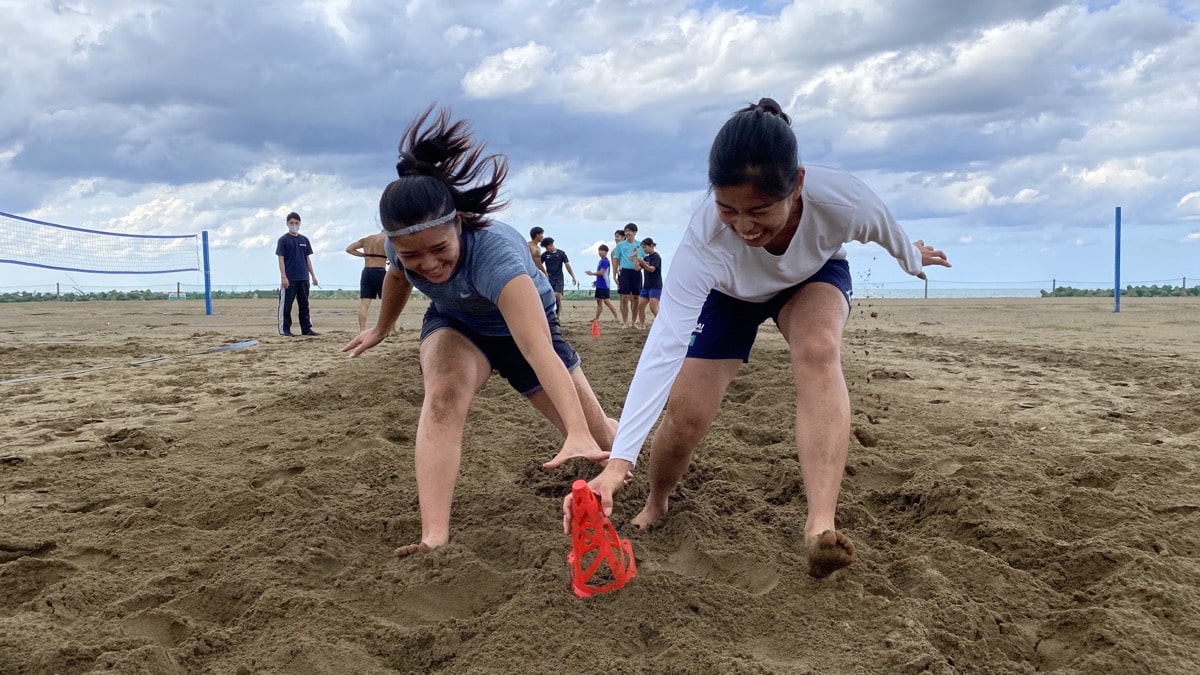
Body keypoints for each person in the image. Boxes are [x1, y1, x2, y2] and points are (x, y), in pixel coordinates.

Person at [565, 98, 951, 579]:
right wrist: (620, 462)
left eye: (761, 210)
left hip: (811, 278)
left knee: (818, 349)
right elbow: (664, 344)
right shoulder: (704, 241)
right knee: (686, 417)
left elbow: (891, 235)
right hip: (729, 297)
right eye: (729, 209)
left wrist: (913, 259)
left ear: (799, 184)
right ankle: (658, 500)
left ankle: (820, 526)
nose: (745, 226)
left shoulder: (844, 200)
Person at [343, 105, 617, 557]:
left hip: (525, 331)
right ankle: (434, 538)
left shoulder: (495, 258)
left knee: (600, 436)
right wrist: (381, 328)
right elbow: (395, 276)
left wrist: (575, 431)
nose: (428, 265)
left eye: (439, 250)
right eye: (414, 255)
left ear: (459, 223)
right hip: (458, 322)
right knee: (444, 395)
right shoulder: (400, 246)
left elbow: (537, 348)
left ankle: (629, 448)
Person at [345, 230, 400, 335]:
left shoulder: (367, 239)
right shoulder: (388, 240)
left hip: (367, 271)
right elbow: (397, 254)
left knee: (364, 304)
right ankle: (392, 329)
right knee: (389, 302)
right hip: (380, 271)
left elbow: (349, 249)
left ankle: (362, 330)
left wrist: (364, 255)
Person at [275, 212, 319, 337]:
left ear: (300, 223)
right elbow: (281, 259)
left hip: (303, 278)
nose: (294, 225)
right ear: (287, 224)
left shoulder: (304, 240)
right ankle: (285, 330)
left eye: (296, 223)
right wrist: (283, 276)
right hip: (290, 278)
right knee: (286, 305)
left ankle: (306, 329)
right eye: (291, 223)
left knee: (304, 304)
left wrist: (313, 276)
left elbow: (308, 259)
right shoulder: (283, 240)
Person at [612, 223, 643, 328]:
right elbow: (616, 259)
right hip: (624, 272)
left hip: (636, 273)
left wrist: (638, 261)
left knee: (636, 298)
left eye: (629, 231)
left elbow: (643, 260)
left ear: (635, 232)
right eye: (626, 231)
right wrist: (614, 274)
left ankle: (634, 322)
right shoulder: (620, 245)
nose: (627, 233)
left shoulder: (640, 245)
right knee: (624, 297)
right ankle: (625, 322)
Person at [540, 237, 577, 317]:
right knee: (550, 298)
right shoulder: (545, 255)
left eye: (547, 247)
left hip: (559, 279)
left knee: (557, 296)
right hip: (549, 279)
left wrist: (573, 276)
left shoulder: (561, 253)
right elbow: (538, 264)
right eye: (545, 248)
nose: (547, 249)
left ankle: (558, 317)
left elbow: (567, 265)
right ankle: (551, 315)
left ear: (551, 245)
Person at [587, 244, 621, 326]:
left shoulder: (606, 261)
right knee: (599, 302)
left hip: (604, 285)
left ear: (606, 252)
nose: (600, 252)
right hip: (599, 285)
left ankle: (616, 317)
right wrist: (596, 281)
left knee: (607, 302)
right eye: (599, 250)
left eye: (602, 251)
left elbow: (602, 272)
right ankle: (596, 318)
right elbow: (601, 274)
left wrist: (592, 273)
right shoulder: (600, 261)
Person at [634, 237, 663, 328]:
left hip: (655, 285)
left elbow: (651, 269)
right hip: (646, 285)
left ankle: (662, 325)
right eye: (643, 247)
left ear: (651, 246)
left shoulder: (656, 256)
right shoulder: (646, 258)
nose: (644, 249)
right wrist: (635, 258)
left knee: (653, 307)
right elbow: (637, 268)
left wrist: (643, 263)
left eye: (645, 247)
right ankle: (642, 325)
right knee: (640, 306)